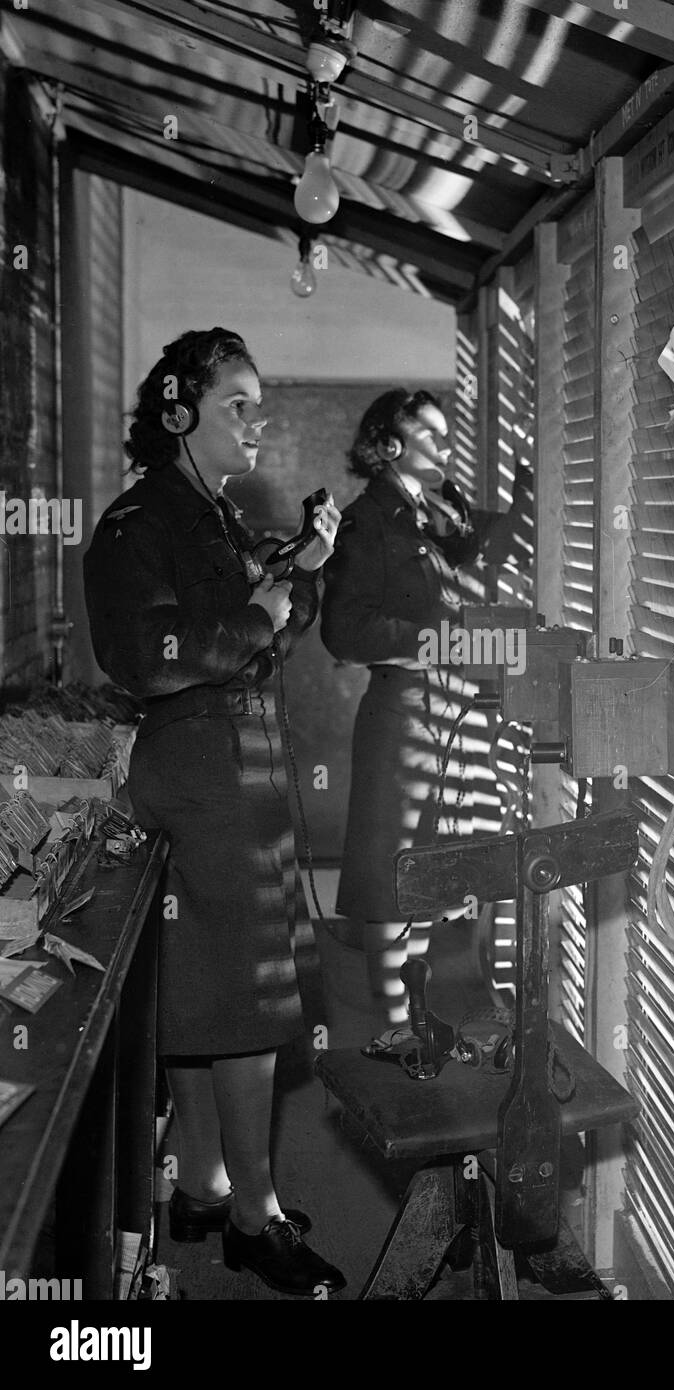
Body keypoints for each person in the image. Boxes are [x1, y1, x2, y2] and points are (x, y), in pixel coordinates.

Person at [83, 328, 345, 1298]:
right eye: (237, 401)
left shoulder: (208, 513)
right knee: (248, 1005)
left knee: (203, 991)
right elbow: (150, 655)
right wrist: (258, 617)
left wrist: (298, 569)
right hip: (203, 767)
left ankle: (200, 1180)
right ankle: (253, 1216)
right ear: (179, 412)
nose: (255, 420)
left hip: (235, 760)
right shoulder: (137, 521)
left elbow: (253, 625)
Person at [320, 388, 531, 1024]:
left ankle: (411, 1023)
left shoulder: (430, 516)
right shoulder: (366, 522)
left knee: (428, 884)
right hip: (402, 718)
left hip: (444, 716)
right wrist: (435, 642)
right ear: (389, 446)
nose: (446, 446)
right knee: (394, 887)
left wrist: (529, 479)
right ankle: (390, 1028)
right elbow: (343, 629)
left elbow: (501, 540)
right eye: (433, 435)